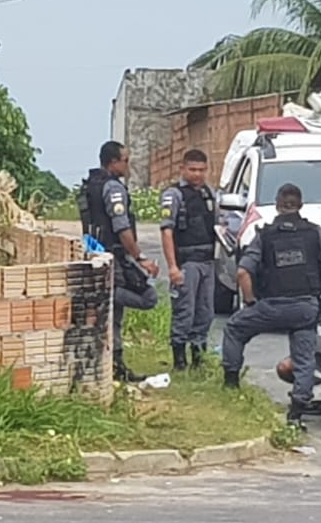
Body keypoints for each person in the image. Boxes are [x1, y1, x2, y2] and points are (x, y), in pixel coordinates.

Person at [222, 184, 321, 427]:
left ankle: (230, 383)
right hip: (305, 307)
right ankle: (297, 411)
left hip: (272, 305)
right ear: (301, 205)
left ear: (277, 205)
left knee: (234, 328)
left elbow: (243, 272)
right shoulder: (315, 233)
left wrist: (251, 302)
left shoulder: (264, 235)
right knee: (304, 357)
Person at [80, 141, 159, 382]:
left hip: (95, 255)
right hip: (112, 257)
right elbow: (122, 228)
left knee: (114, 318)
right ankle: (111, 293)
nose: (129, 165)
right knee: (148, 298)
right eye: (126, 160)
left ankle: (115, 365)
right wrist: (140, 258)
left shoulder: (91, 186)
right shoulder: (113, 188)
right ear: (113, 162)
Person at [159, 149, 219, 370]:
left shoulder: (209, 193)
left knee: (205, 312)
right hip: (186, 262)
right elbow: (167, 232)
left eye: (202, 170)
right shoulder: (173, 195)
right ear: (182, 169)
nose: (197, 174)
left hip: (207, 261)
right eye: (192, 170)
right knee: (185, 311)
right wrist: (173, 267)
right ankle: (179, 361)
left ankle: (198, 360)